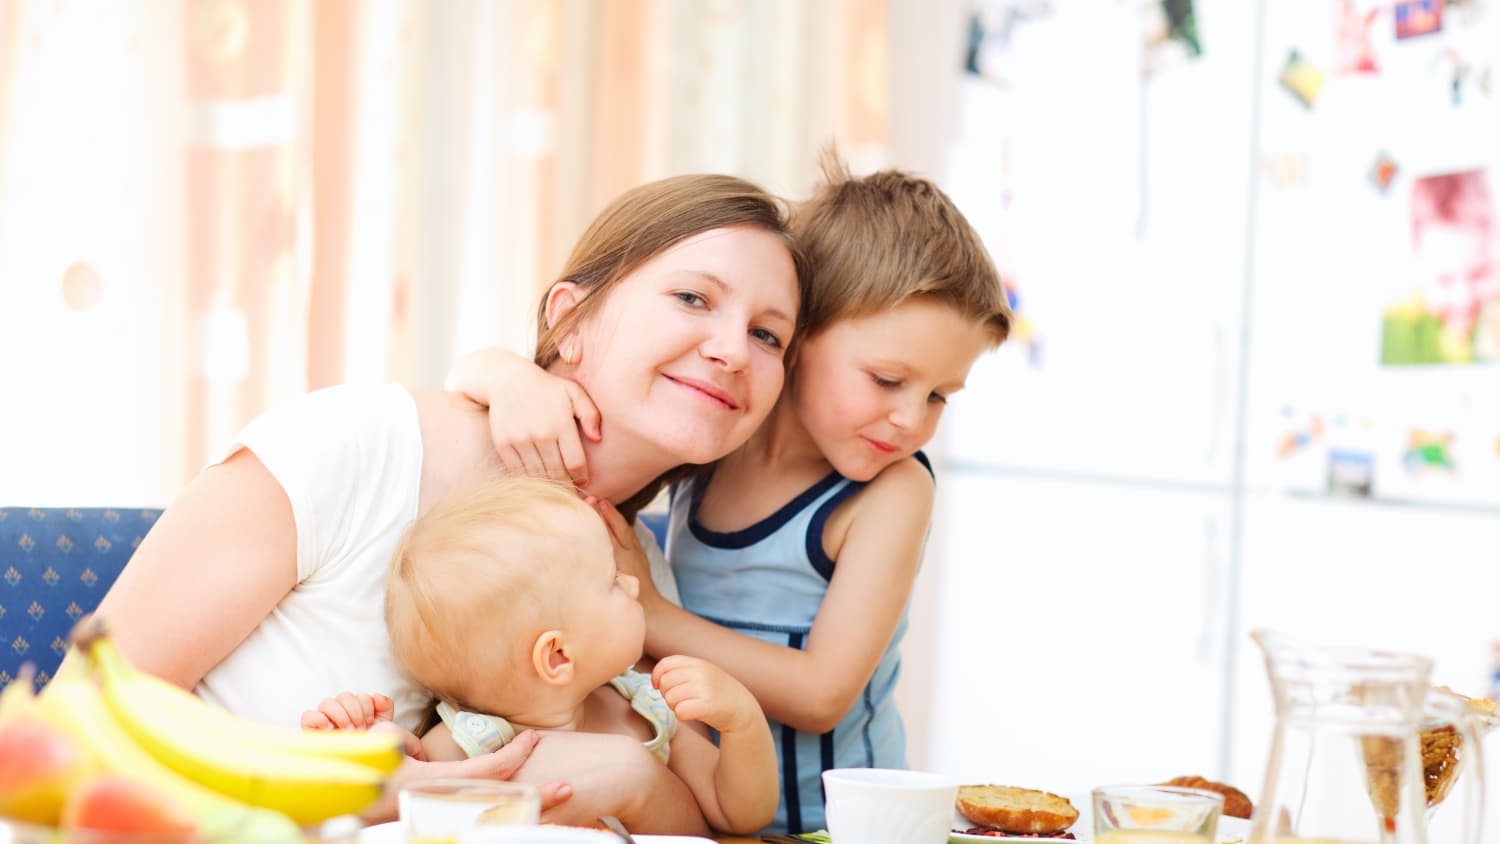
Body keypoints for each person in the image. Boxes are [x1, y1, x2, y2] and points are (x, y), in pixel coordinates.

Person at [85, 172, 808, 830]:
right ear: (573, 317)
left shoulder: (633, 574)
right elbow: (78, 726)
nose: (733, 350)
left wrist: (629, 780)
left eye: (768, 335)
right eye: (693, 298)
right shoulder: (357, 445)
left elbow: (689, 819)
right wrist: (354, 790)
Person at [451, 152, 1012, 834]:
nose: (910, 419)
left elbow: (822, 693)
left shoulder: (891, 490)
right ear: (801, 338)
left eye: (938, 397)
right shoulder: (717, 436)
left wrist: (651, 616)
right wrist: (510, 378)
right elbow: (551, 393)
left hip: (833, 826)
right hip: (703, 804)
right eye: (887, 380)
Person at [302, 476, 778, 835]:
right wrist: (372, 742)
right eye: (613, 582)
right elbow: (410, 803)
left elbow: (738, 815)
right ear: (556, 657)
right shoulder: (474, 744)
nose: (634, 584)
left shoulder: (644, 706)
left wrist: (742, 722)